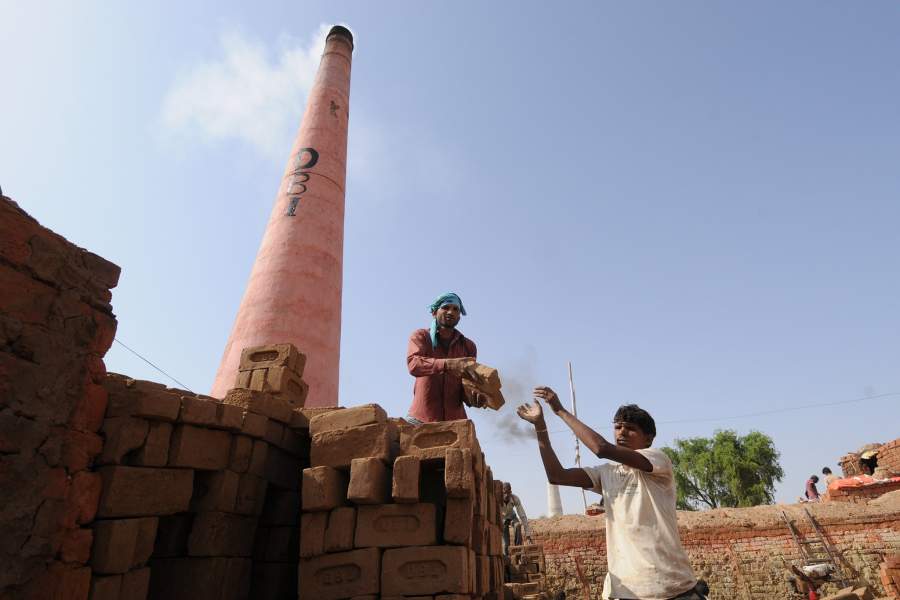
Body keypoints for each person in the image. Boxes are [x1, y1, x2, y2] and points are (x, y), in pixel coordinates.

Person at [517, 387, 702, 600]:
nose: (621, 432)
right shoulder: (607, 473)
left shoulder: (657, 461)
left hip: (671, 588)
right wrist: (540, 427)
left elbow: (600, 448)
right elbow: (557, 476)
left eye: (630, 428)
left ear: (648, 439)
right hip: (626, 592)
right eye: (617, 427)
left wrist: (559, 410)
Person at [405, 292, 486, 424]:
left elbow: (467, 384)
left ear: (459, 315)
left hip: (456, 422)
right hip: (421, 419)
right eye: (446, 307)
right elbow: (414, 365)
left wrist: (473, 398)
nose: (450, 312)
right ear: (434, 312)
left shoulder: (468, 346)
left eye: (455, 309)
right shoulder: (421, 336)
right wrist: (447, 364)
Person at [501, 482, 532, 554]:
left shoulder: (515, 498)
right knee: (506, 544)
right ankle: (506, 557)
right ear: (501, 492)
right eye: (504, 493)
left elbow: (522, 515)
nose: (506, 495)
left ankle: (518, 551)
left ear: (510, 492)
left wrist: (528, 535)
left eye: (508, 493)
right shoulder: (497, 498)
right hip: (502, 519)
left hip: (512, 516)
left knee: (517, 525)